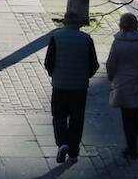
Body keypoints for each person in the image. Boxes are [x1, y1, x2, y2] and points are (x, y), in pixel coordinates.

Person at [44, 12, 100, 165]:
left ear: (65, 22)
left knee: (59, 116)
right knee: (77, 119)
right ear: (79, 24)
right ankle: (74, 152)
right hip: (79, 87)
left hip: (60, 85)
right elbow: (94, 64)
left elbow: (49, 61)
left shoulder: (56, 36)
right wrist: (85, 76)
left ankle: (62, 143)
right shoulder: (86, 39)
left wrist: (54, 75)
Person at [106, 13, 138, 160]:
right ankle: (134, 145)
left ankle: (130, 146)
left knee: (126, 115)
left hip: (121, 82)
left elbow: (110, 64)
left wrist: (112, 78)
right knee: (135, 114)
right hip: (137, 81)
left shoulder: (117, 43)